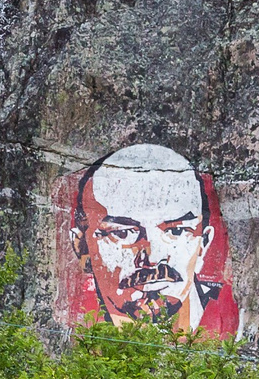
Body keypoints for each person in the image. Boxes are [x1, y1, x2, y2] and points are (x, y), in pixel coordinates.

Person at [67, 143, 238, 336]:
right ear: (82, 247)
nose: (153, 256)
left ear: (203, 244)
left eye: (177, 231)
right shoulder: (71, 331)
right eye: (122, 233)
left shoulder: (230, 322)